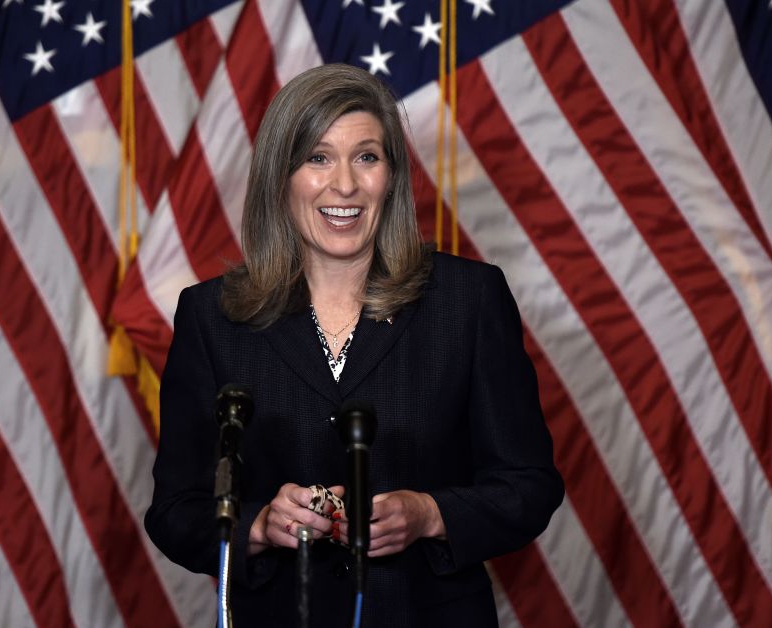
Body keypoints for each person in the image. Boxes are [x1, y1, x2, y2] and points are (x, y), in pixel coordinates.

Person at [145, 63, 564, 627]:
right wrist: (260, 526)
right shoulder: (212, 317)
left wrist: (429, 513)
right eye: (318, 157)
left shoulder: (469, 299)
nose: (344, 184)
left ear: (391, 176)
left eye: (366, 156)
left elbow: (529, 486)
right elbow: (176, 512)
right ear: (281, 175)